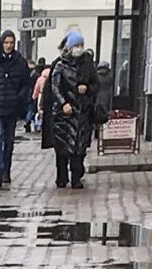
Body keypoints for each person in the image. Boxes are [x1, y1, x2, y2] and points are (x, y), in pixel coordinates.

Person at [42, 30, 107, 190]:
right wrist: (63, 103)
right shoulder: (60, 65)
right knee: (62, 148)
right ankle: (62, 177)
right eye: (76, 45)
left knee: (80, 147)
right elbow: (55, 87)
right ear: (69, 47)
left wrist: (88, 88)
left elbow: (96, 84)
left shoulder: (88, 65)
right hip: (64, 115)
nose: (79, 48)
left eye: (81, 45)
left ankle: (76, 177)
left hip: (83, 112)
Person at [0, 30, 34, 189]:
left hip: (11, 109)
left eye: (11, 42)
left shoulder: (20, 63)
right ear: (1, 44)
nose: (8, 45)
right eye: (6, 42)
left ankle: (6, 171)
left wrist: (19, 99)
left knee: (8, 142)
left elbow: (25, 84)